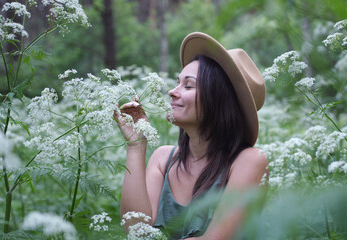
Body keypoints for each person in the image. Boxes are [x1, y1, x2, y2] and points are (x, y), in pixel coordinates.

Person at [114, 32, 268, 240]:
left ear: (219, 100)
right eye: (177, 83)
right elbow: (137, 231)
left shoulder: (249, 161)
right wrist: (135, 145)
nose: (172, 91)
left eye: (188, 85)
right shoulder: (162, 159)